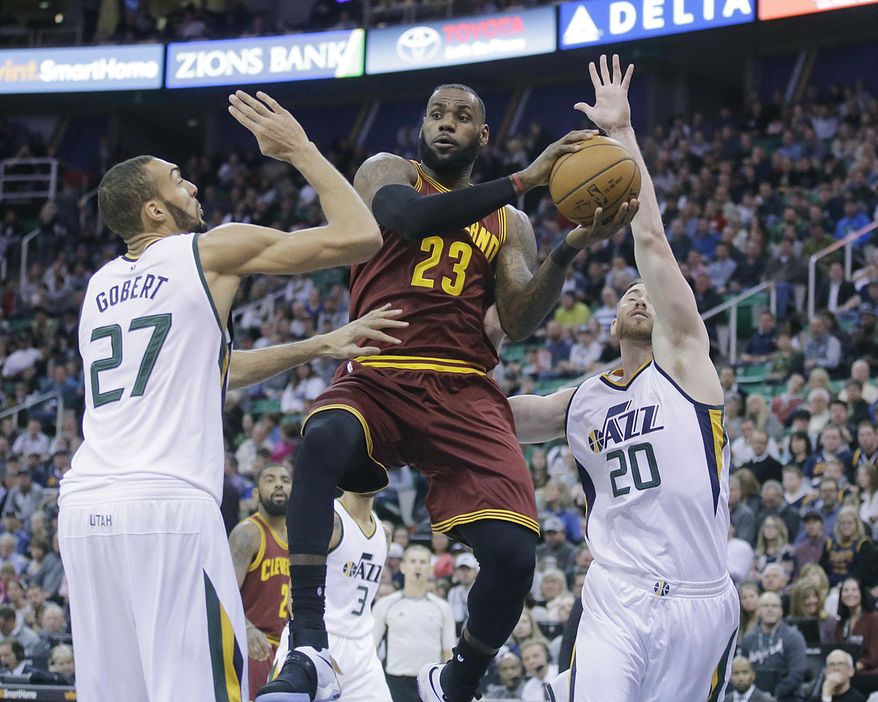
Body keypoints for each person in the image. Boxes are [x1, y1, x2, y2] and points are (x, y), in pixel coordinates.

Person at [262, 73, 638, 702]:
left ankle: (457, 679)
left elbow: (516, 318)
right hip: (381, 364)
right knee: (323, 437)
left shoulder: (510, 222)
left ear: (482, 134)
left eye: (461, 117)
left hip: (463, 384)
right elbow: (407, 221)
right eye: (436, 113)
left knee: (516, 554)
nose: (445, 123)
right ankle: (308, 644)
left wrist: (568, 248)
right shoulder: (390, 172)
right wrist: (525, 177)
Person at [57, 90, 389, 702]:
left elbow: (212, 370)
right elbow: (360, 234)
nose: (193, 187)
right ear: (155, 211)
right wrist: (301, 151)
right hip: (167, 507)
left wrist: (315, 346)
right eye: (179, 181)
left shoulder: (99, 285)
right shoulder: (210, 249)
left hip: (84, 514)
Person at [506, 55, 738, 702]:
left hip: (703, 601)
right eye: (627, 294)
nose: (640, 296)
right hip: (616, 593)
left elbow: (653, 242)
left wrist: (621, 137)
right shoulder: (583, 401)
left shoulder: (689, 365)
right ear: (612, 323)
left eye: (647, 294)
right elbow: (507, 418)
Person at [271, 490, 392, 702]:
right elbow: (295, 596)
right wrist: (318, 649)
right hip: (317, 638)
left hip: (362, 650)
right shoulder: (328, 519)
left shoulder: (385, 533)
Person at [229, 464, 293, 698]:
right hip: (254, 645)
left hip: (286, 648)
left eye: (285, 480)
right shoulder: (248, 533)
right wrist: (246, 628)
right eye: (270, 479)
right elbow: (225, 592)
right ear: (255, 494)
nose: (279, 484)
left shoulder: (298, 537)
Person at [372, 545, 456, 702]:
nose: (418, 565)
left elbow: (448, 652)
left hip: (430, 682)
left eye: (423, 561)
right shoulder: (385, 605)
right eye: (412, 561)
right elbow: (371, 648)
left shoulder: (442, 608)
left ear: (430, 567)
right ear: (403, 567)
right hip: (395, 683)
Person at [740, 592, 807, 702]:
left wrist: (773, 695)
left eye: (774, 606)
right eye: (766, 606)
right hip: (754, 697)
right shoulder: (748, 639)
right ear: (758, 611)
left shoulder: (793, 637)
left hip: (787, 697)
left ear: (781, 611)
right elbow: (743, 670)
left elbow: (797, 674)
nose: (770, 609)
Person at [834, 578, 878, 693]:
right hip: (846, 671)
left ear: (861, 593)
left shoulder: (874, 619)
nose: (850, 594)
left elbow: (874, 656)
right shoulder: (841, 623)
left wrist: (854, 667)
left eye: (854, 590)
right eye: (846, 590)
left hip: (869, 672)